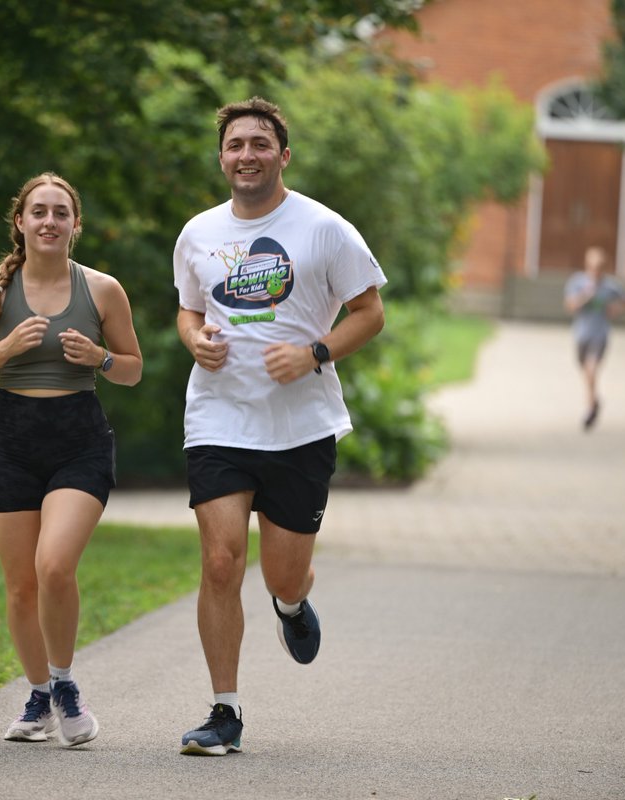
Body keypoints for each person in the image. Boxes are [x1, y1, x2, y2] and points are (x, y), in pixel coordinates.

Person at [172, 97, 386, 756]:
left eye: (260, 143)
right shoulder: (198, 233)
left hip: (300, 427)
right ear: (222, 157)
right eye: (236, 144)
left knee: (283, 577)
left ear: (282, 155)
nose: (246, 155)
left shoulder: (325, 229)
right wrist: (194, 340)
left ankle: (291, 606)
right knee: (220, 561)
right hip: (218, 415)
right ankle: (224, 711)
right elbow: (188, 310)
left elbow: (369, 312)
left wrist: (314, 352)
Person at [0, 172, 142, 747]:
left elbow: (133, 369)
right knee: (20, 587)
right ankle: (38, 696)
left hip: (78, 438)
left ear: (75, 225)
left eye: (61, 212)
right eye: (39, 212)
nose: (50, 221)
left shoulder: (103, 289)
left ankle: (63, 685)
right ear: (21, 222)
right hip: (11, 439)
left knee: (54, 566)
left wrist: (101, 358)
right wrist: (4, 348)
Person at [563, 245, 625, 431]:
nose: (596, 271)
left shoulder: (610, 287)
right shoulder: (577, 283)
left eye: (600, 267)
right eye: (593, 266)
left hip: (600, 334)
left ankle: (590, 409)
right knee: (585, 372)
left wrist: (616, 309)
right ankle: (594, 400)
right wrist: (585, 296)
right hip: (581, 334)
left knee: (591, 371)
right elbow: (569, 305)